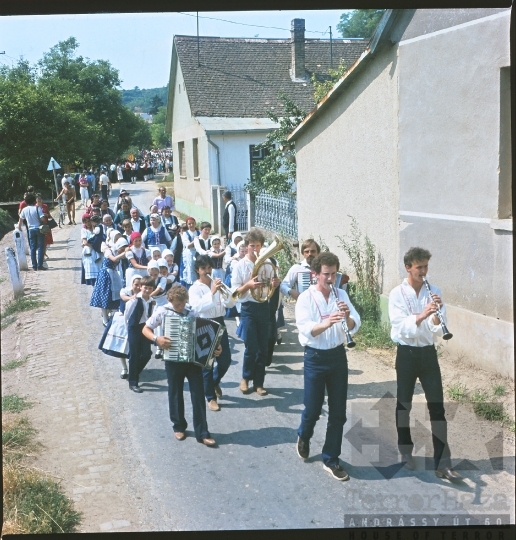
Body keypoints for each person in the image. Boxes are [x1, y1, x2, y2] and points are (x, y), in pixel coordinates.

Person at [389, 247, 461, 481]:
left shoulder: (434, 291)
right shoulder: (397, 293)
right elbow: (400, 328)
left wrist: (437, 315)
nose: (423, 271)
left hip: (428, 355)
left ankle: (443, 463)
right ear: (408, 267)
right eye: (419, 267)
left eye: (426, 267)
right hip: (407, 354)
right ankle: (405, 450)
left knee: (437, 407)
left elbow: (438, 329)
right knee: (404, 405)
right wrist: (422, 315)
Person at [295, 251, 361, 481]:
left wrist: (347, 317)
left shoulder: (340, 293)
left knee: (338, 413)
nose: (331, 279)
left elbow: (354, 324)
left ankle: (331, 459)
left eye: (333, 274)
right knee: (312, 409)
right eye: (326, 275)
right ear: (315, 274)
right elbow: (306, 329)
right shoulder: (305, 298)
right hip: (314, 357)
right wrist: (327, 322)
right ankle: (304, 434)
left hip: (337, 357)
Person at [142, 286, 219, 446]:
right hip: (172, 359)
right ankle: (178, 426)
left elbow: (204, 332)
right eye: (178, 305)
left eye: (183, 303)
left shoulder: (192, 312)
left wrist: (215, 346)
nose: (181, 307)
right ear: (170, 301)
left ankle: (202, 432)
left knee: (198, 394)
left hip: (192, 360)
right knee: (175, 392)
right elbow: (146, 329)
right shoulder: (163, 311)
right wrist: (157, 339)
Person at [231, 229, 280, 396]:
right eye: (252, 246)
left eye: (258, 246)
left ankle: (259, 383)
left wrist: (274, 283)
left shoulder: (267, 264)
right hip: (248, 309)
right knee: (251, 347)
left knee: (263, 348)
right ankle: (245, 378)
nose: (256, 249)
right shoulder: (239, 266)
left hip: (264, 307)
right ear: (246, 246)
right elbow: (235, 293)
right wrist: (248, 286)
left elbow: (270, 287)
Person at [189, 255, 233, 412]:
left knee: (225, 359)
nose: (207, 271)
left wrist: (225, 292)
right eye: (203, 269)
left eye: (209, 268)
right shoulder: (194, 288)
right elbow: (197, 308)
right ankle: (210, 397)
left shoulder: (216, 281)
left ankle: (214, 382)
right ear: (197, 270)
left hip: (219, 321)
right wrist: (212, 292)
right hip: (204, 323)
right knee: (207, 363)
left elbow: (230, 303)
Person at [98, 274, 142, 379]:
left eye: (141, 285)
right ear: (132, 284)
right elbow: (124, 297)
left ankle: (133, 366)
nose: (138, 287)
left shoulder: (143, 293)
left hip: (136, 322)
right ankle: (124, 368)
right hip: (122, 321)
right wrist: (133, 297)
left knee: (134, 346)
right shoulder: (125, 291)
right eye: (136, 284)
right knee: (119, 346)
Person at [124, 275, 155, 393]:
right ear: (141, 287)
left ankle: (134, 372)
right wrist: (129, 331)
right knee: (134, 355)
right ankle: (133, 382)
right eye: (145, 288)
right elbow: (127, 316)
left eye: (150, 288)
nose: (147, 290)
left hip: (145, 328)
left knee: (147, 353)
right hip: (134, 328)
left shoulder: (152, 301)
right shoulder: (134, 300)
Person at [90, 237, 129, 325]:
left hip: (114, 274)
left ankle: (112, 314)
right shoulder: (109, 251)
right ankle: (105, 317)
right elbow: (114, 259)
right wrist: (124, 253)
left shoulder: (117, 252)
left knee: (115, 295)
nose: (121, 251)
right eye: (121, 248)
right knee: (105, 296)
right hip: (105, 275)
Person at [17, 193, 46, 271]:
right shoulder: (37, 208)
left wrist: (19, 228)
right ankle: (40, 265)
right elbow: (43, 219)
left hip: (30, 230)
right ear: (34, 201)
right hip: (39, 229)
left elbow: (20, 220)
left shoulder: (24, 210)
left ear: (26, 201)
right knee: (40, 247)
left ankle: (34, 266)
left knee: (32, 248)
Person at [80, 215, 103, 285]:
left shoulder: (97, 229)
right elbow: (85, 242)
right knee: (92, 271)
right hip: (89, 253)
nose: (88, 223)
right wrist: (95, 247)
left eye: (89, 221)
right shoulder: (84, 230)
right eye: (85, 222)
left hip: (98, 252)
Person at [181, 217, 200, 288]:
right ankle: (191, 285)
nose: (191, 225)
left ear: (195, 223)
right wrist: (195, 240)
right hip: (190, 253)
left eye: (192, 223)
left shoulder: (199, 232)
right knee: (191, 268)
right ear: (187, 225)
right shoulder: (185, 234)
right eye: (189, 224)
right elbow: (188, 245)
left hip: (198, 252)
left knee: (198, 267)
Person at [35, 193, 53, 265]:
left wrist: (46, 215)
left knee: (46, 241)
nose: (39, 202)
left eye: (40, 200)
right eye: (38, 201)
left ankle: (44, 253)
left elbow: (49, 215)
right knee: (40, 241)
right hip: (38, 225)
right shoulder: (34, 207)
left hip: (45, 225)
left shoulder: (45, 206)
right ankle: (41, 254)